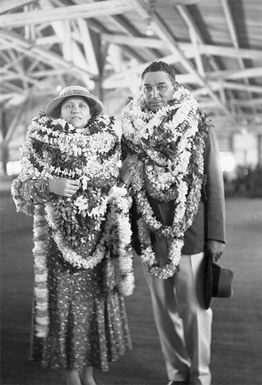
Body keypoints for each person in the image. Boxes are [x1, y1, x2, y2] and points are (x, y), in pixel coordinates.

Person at [11, 85, 134, 385]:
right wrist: (49, 185)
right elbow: (20, 190)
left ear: (92, 113)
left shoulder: (108, 145)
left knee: (95, 308)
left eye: (82, 105)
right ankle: (71, 377)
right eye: (69, 106)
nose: (76, 110)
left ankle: (89, 374)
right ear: (58, 113)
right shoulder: (40, 146)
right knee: (64, 309)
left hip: (98, 246)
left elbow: (115, 191)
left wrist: (123, 182)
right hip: (59, 247)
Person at [120, 61, 226, 385]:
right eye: (147, 87)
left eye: (161, 86)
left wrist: (216, 236)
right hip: (149, 235)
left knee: (195, 310)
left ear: (175, 87)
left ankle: (200, 376)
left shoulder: (198, 125)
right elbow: (122, 180)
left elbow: (214, 181)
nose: (153, 94)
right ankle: (178, 374)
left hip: (190, 232)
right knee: (164, 311)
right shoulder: (130, 131)